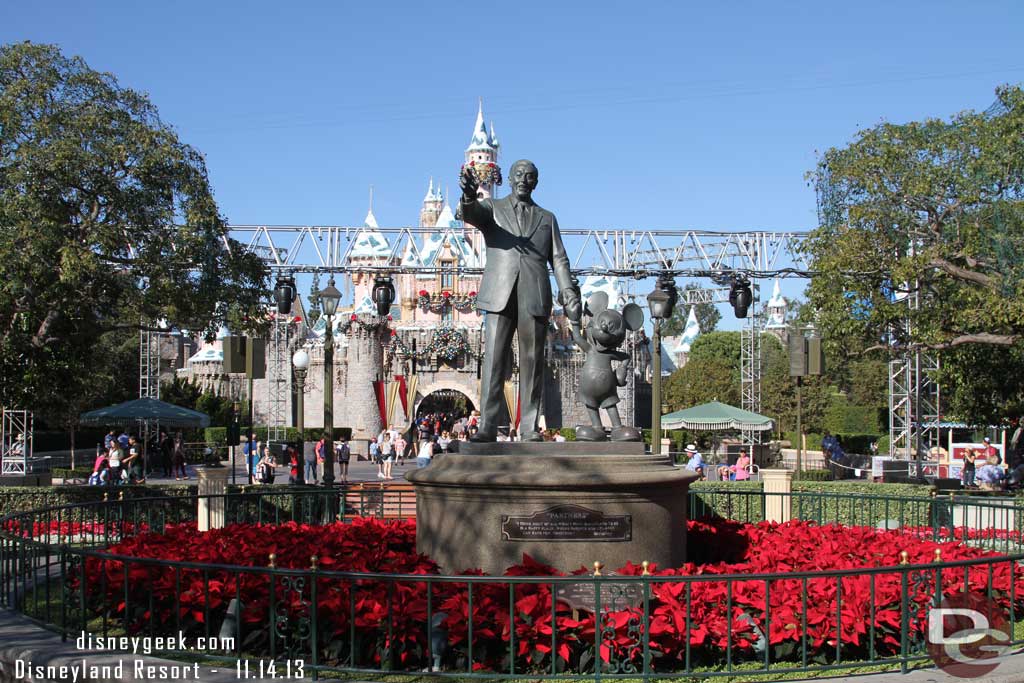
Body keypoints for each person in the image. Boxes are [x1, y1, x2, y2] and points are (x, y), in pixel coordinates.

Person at [458, 159, 582, 442]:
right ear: (510, 179)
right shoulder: (493, 208)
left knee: (533, 360)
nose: (524, 179)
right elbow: (472, 213)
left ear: (536, 182)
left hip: (535, 293)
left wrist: (569, 292)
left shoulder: (547, 218)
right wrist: (468, 196)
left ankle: (528, 426)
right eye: (519, 175)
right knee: (494, 359)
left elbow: (559, 259)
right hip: (499, 292)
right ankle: (488, 425)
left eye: (530, 176)